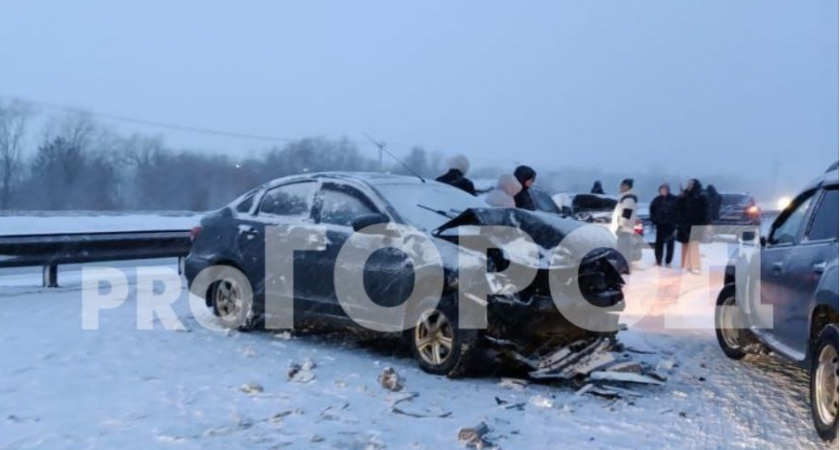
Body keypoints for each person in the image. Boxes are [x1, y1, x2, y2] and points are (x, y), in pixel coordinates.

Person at [676, 179, 709, 274]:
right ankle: (684, 266)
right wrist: (680, 198)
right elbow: (677, 208)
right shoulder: (684, 195)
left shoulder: (700, 196)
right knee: (685, 245)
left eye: (691, 184)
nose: (689, 185)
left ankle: (694, 265)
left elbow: (705, 211)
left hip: (696, 224)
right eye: (688, 183)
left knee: (694, 245)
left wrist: (705, 223)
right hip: (683, 224)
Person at [611, 178, 638, 265]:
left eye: (623, 185)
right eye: (621, 185)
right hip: (624, 228)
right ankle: (622, 266)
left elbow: (626, 214)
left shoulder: (628, 199)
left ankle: (622, 267)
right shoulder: (625, 197)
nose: (621, 187)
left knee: (623, 249)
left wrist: (621, 226)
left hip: (624, 229)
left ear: (627, 187)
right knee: (623, 249)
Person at [649, 183, 677, 266]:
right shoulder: (656, 200)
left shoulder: (674, 199)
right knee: (659, 244)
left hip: (671, 225)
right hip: (660, 225)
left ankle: (668, 261)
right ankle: (658, 260)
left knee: (670, 244)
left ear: (668, 190)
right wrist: (654, 220)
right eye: (662, 189)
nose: (663, 191)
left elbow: (678, 211)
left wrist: (675, 221)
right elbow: (652, 211)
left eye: (665, 189)